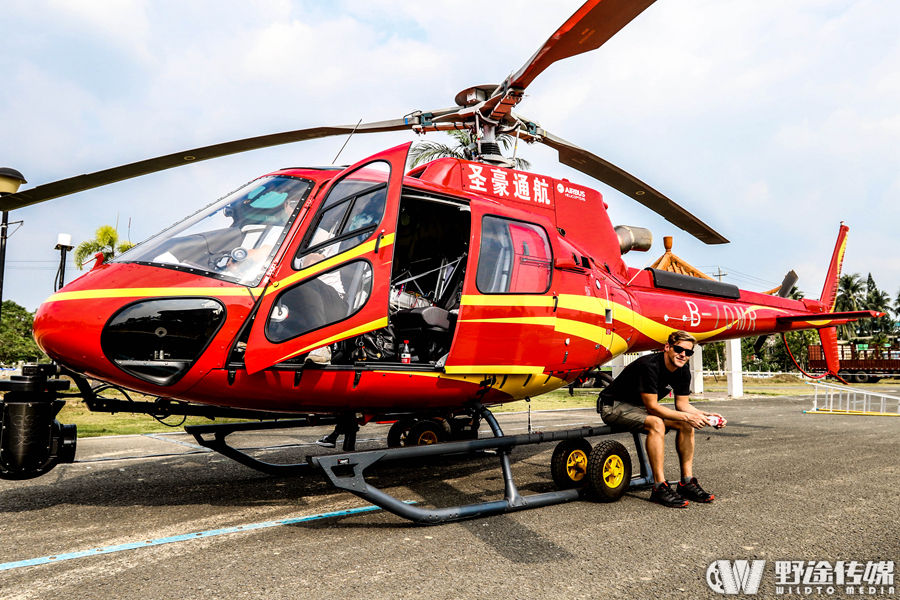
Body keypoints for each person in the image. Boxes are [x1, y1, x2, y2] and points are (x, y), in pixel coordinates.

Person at [598, 331, 727, 508]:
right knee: (656, 422)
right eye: (679, 349)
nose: (683, 355)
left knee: (685, 423)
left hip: (639, 407)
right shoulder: (649, 365)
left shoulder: (682, 371)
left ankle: (686, 482)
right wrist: (689, 416)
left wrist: (706, 416)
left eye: (688, 352)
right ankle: (659, 487)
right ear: (667, 347)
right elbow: (652, 407)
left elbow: (683, 406)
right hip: (613, 405)